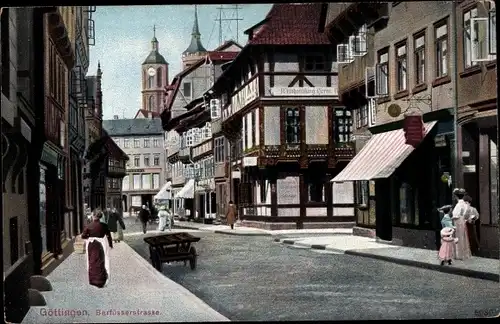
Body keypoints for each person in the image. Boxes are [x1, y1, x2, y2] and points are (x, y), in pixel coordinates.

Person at [81, 208, 113, 288]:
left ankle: (93, 280)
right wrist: (110, 245)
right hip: (101, 244)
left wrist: (89, 236)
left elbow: (83, 236)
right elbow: (109, 236)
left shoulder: (89, 226)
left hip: (91, 245)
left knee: (92, 261)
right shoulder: (104, 225)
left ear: (93, 215)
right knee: (102, 260)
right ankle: (102, 279)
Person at [451, 188, 472, 260]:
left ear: (456, 197)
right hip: (463, 221)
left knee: (458, 237)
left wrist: (452, 217)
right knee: (463, 237)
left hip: (458, 222)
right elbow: (466, 214)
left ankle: (459, 255)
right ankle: (464, 254)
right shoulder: (465, 204)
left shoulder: (458, 205)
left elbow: (456, 215)